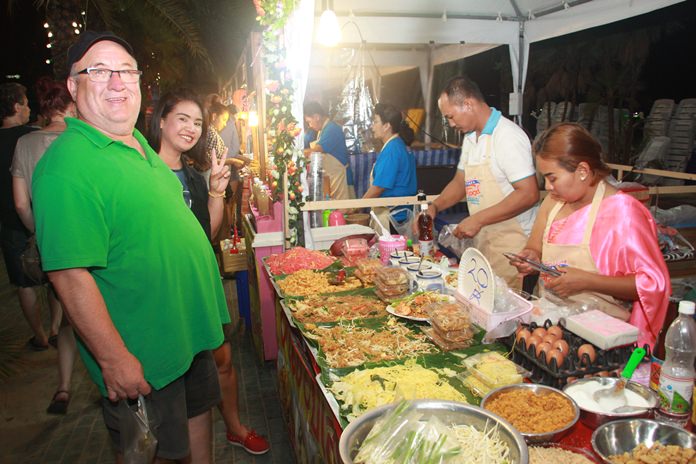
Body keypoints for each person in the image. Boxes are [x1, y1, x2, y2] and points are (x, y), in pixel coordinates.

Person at [32, 31, 229, 463]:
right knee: (156, 453)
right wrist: (114, 359)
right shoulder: (65, 167)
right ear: (73, 86)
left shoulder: (138, 145)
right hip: (146, 357)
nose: (117, 82)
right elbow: (68, 273)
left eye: (126, 71)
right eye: (98, 71)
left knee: (198, 425)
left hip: (189, 336)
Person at [148, 89, 270, 455]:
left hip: (200, 286)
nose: (191, 128)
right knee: (178, 383)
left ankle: (233, 427)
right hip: (165, 295)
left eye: (198, 122)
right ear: (162, 121)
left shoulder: (191, 173)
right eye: (182, 119)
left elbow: (208, 233)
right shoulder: (145, 174)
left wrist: (216, 192)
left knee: (222, 361)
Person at [509, 123, 670, 349]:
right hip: (549, 322)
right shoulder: (553, 202)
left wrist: (586, 281)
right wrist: (531, 258)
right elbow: (535, 247)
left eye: (552, 178)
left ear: (583, 171)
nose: (548, 186)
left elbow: (652, 284)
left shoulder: (623, 212)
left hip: (601, 337)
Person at [426, 75, 539, 290]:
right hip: (486, 239)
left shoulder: (507, 136)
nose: (450, 124)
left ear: (468, 104)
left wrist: (477, 219)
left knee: (509, 312)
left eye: (451, 116)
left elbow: (528, 193)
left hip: (513, 245)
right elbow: (460, 182)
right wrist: (435, 206)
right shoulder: (470, 138)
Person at [12, 77, 78, 414]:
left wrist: (41, 233)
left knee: (69, 315)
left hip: (52, 245)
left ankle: (64, 388)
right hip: (90, 240)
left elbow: (21, 204)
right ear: (71, 105)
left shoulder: (25, 144)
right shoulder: (83, 140)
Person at [0, 82, 57, 351]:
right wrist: (37, 228)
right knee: (54, 276)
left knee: (24, 284)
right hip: (42, 218)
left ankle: (40, 336)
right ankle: (57, 328)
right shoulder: (32, 138)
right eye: (24, 103)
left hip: (10, 225)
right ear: (15, 106)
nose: (28, 108)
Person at [363, 103, 417, 231]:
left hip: (393, 217)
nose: (372, 126)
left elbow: (379, 187)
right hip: (400, 214)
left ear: (387, 126)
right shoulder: (398, 144)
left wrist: (357, 205)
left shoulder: (392, 149)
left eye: (375, 122)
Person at [303, 101, 356, 200]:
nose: (309, 125)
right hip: (333, 178)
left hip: (341, 179)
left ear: (317, 117)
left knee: (344, 211)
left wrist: (298, 154)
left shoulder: (332, 129)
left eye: (309, 121)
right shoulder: (322, 131)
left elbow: (317, 150)